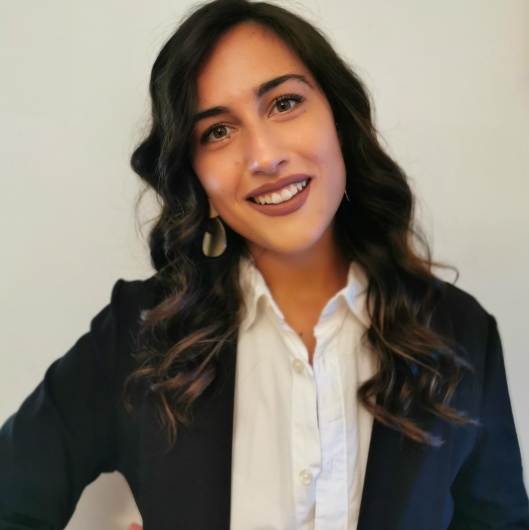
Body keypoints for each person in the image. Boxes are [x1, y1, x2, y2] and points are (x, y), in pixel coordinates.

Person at [0, 0, 528, 528]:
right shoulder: (138, 334)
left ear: (340, 122)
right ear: (197, 180)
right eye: (217, 132)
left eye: (284, 103)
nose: (264, 156)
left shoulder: (461, 334)